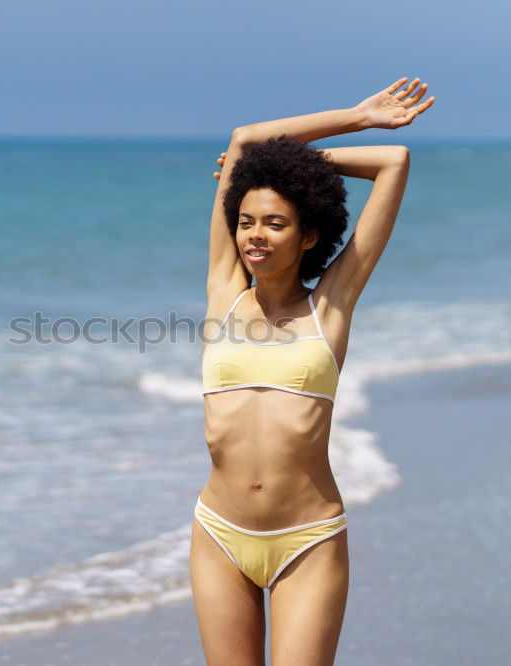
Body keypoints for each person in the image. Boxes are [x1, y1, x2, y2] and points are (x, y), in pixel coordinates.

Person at [189, 77, 436, 666]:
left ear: (309, 236)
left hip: (308, 540)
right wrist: (344, 120)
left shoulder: (332, 304)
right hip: (218, 533)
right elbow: (245, 141)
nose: (255, 235)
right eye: (247, 221)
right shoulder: (223, 293)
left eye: (275, 223)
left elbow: (392, 160)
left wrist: (299, 162)